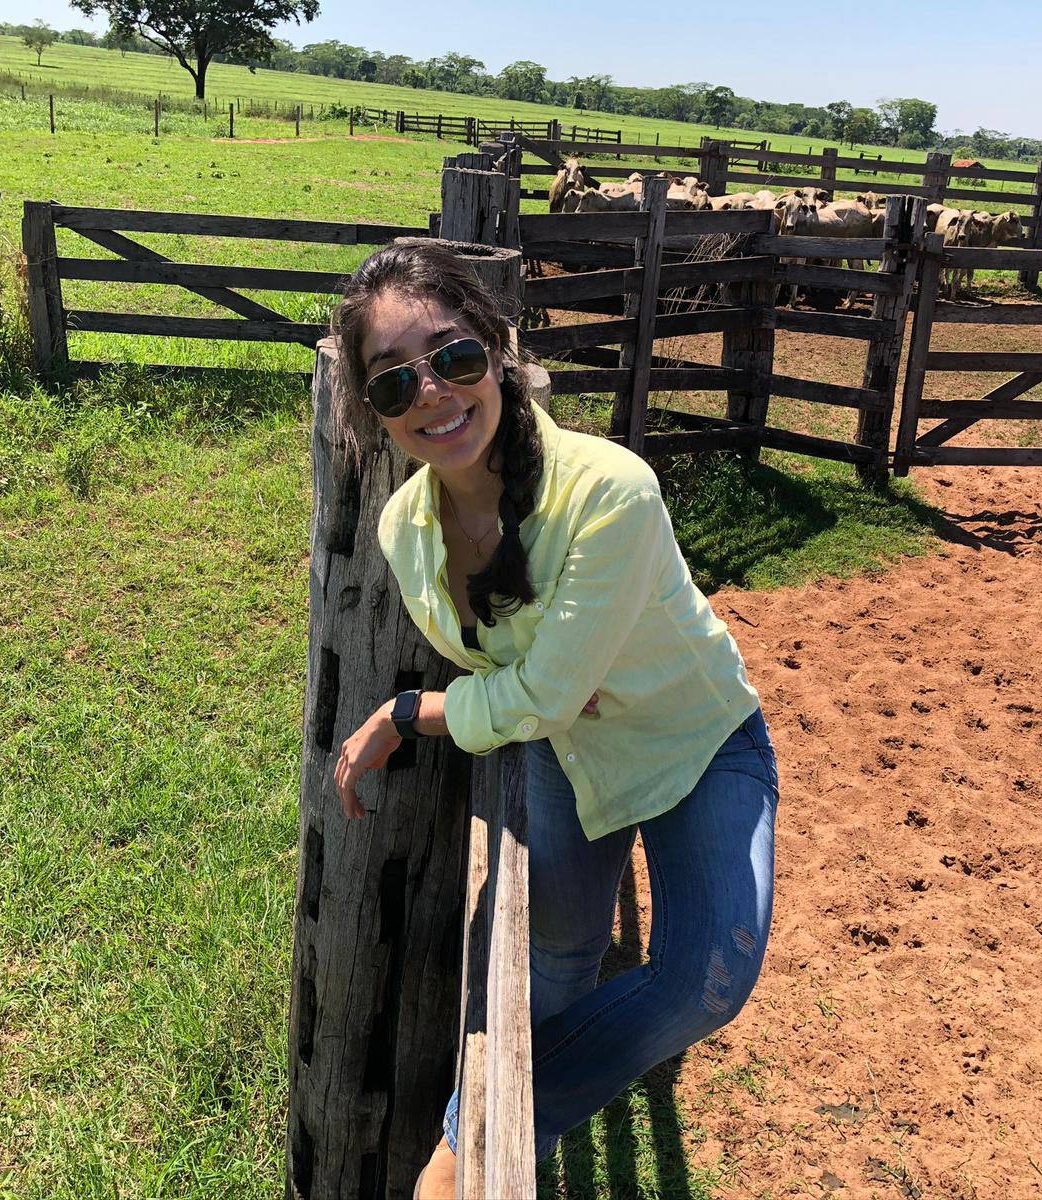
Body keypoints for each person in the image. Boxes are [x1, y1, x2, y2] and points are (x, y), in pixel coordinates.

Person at [328, 241, 778, 1197]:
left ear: (498, 348)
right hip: (569, 755)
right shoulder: (402, 530)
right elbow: (529, 689)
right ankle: (498, 1141)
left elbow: (533, 695)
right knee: (558, 967)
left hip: (694, 741)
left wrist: (411, 713)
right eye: (393, 383)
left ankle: (469, 1145)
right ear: (371, 411)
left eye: (452, 358)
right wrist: (532, 697)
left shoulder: (610, 491)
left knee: (708, 977)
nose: (433, 397)